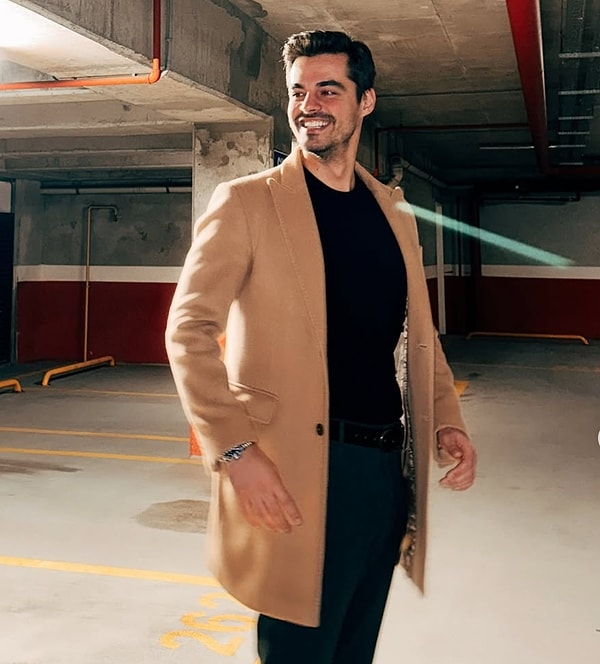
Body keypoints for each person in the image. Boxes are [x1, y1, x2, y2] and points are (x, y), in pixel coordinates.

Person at [165, 29, 476, 664]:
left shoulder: (394, 213)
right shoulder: (248, 204)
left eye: (328, 90)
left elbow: (419, 334)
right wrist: (236, 451)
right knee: (299, 651)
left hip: (383, 472)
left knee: (354, 649)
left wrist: (447, 418)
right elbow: (188, 331)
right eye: (298, 91)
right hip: (297, 470)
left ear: (366, 101)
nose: (309, 105)